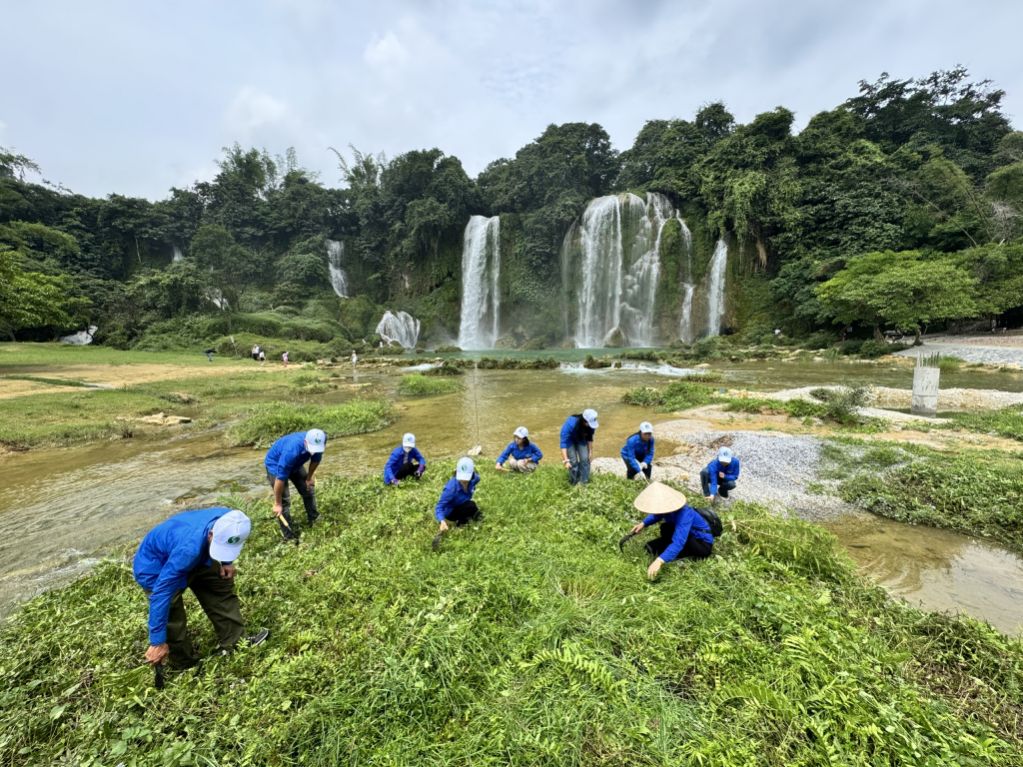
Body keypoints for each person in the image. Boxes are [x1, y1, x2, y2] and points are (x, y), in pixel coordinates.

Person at [132, 507, 268, 670]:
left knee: (220, 587)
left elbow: (229, 540)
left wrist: (226, 562)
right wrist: (157, 641)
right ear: (211, 534)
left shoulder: (234, 520)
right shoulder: (188, 549)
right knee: (171, 613)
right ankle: (184, 664)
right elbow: (161, 594)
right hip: (155, 567)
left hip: (200, 553)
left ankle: (236, 644)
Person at [627, 482, 714, 579]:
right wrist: (643, 523)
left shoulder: (685, 513)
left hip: (702, 544)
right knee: (658, 536)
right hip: (687, 537)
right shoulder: (666, 509)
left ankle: (683, 555)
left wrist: (659, 561)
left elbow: (679, 542)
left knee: (663, 553)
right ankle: (671, 551)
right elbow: (656, 515)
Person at [264, 428, 326, 540]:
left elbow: (316, 460)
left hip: (296, 464)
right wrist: (277, 503)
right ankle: (289, 536)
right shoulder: (291, 451)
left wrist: (309, 477)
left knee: (308, 490)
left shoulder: (320, 440)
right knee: (284, 503)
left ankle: (314, 519)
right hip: (276, 464)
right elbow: (280, 479)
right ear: (306, 442)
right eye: (312, 449)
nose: (313, 451)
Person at [435, 457, 481, 533]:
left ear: (472, 473)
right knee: (470, 505)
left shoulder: (475, 479)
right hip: (451, 511)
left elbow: (477, 478)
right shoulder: (451, 489)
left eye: (466, 478)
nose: (463, 480)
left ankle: (471, 516)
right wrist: (442, 521)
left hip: (463, 503)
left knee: (472, 507)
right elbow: (439, 507)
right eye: (462, 477)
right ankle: (459, 524)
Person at [559, 408, 598, 485]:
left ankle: (584, 482)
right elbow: (563, 443)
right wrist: (566, 460)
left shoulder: (591, 425)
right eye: (589, 424)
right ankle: (573, 482)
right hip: (570, 441)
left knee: (585, 459)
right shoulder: (570, 424)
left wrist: (590, 452)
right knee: (573, 462)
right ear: (584, 421)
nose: (591, 425)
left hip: (581, 439)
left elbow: (589, 438)